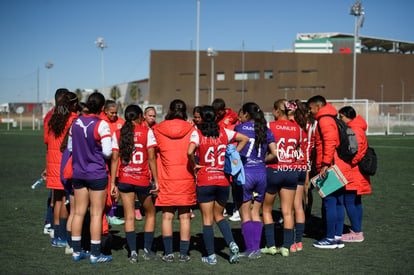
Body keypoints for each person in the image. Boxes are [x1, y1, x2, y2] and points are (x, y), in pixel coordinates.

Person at [187, 105, 249, 265]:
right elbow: (244, 139)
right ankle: (232, 243)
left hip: (205, 179)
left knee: (207, 220)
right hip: (222, 180)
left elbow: (189, 151)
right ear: (215, 117)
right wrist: (233, 154)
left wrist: (194, 164)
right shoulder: (224, 132)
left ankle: (211, 256)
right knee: (219, 216)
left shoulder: (197, 132)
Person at [110, 105, 160, 263]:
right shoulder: (147, 132)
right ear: (140, 116)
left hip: (125, 179)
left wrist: (113, 183)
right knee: (150, 213)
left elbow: (114, 159)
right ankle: (147, 249)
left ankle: (132, 252)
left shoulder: (118, 133)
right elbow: (152, 158)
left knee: (129, 216)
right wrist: (156, 180)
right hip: (142, 180)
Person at [69, 92, 113, 263]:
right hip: (96, 173)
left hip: (78, 172)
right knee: (96, 214)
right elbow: (108, 153)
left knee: (78, 213)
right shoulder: (102, 125)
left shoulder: (75, 122)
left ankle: (76, 251)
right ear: (102, 108)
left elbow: (71, 148)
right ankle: (95, 254)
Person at [153, 99, 196, 263]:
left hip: (166, 179)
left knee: (167, 217)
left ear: (170, 110)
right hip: (186, 178)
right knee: (185, 217)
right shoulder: (191, 129)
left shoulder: (157, 129)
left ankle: (168, 253)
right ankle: (184, 253)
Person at [307, 95, 351, 249]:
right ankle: (337, 236)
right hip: (339, 165)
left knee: (330, 202)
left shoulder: (325, 120)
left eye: (310, 108)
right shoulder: (331, 117)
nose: (310, 111)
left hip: (331, 166)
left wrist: (325, 164)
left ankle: (330, 238)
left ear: (317, 106)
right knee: (338, 202)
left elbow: (330, 142)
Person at [234, 102, 277, 259]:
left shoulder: (239, 128)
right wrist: (263, 161)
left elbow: (232, 150)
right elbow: (275, 153)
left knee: (244, 214)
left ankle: (250, 248)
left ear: (246, 114)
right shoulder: (266, 129)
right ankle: (256, 248)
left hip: (245, 173)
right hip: (261, 173)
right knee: (255, 212)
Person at [262, 99, 303, 257]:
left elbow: (265, 148)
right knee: (288, 212)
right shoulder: (297, 128)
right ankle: (286, 247)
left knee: (266, 209)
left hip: (273, 169)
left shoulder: (270, 126)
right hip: (291, 170)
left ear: (277, 111)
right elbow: (297, 148)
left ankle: (271, 245)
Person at [45, 90, 79, 248]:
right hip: (64, 164)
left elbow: (46, 140)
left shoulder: (53, 119)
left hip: (52, 163)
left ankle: (57, 235)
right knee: (66, 202)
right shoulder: (72, 119)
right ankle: (64, 236)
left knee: (57, 200)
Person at [338, 106, 371, 242]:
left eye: (342, 117)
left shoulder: (354, 130)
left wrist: (348, 162)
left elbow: (356, 152)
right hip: (357, 172)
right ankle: (357, 229)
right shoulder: (358, 127)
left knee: (349, 201)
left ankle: (357, 232)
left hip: (353, 171)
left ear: (347, 117)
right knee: (356, 201)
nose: (340, 120)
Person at [42, 88, 69, 236]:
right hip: (59, 160)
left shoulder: (51, 115)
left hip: (53, 159)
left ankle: (51, 225)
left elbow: (47, 140)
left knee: (56, 196)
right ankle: (53, 226)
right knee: (58, 198)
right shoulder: (61, 116)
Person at [212, 99, 240, 221]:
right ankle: (221, 208)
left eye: (219, 113)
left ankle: (237, 209)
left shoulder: (232, 118)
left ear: (224, 110)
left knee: (234, 182)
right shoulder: (217, 119)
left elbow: (230, 134)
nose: (217, 116)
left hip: (232, 153)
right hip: (221, 153)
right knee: (221, 180)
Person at [100, 100, 126, 226]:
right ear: (105, 111)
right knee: (104, 189)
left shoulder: (121, 122)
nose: (114, 115)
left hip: (117, 161)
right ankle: (103, 213)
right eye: (111, 113)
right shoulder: (100, 122)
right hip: (103, 161)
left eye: (116, 113)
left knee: (117, 188)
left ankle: (112, 214)